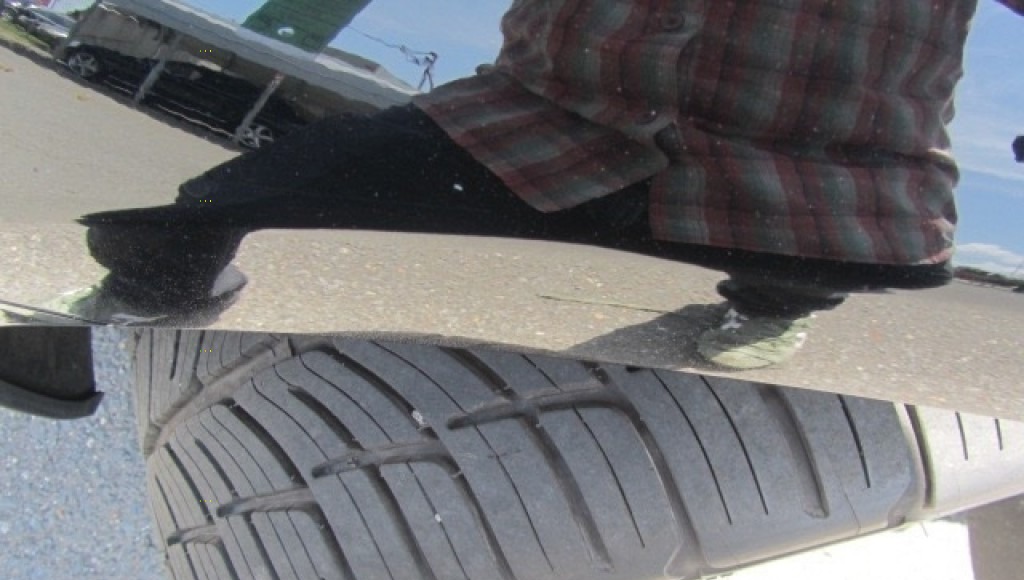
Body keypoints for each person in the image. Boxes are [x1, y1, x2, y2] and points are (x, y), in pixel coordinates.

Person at [81, 0, 1024, 367]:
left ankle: (775, 307)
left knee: (801, 270)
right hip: (543, 119)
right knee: (202, 211)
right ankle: (146, 292)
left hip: (829, 180)